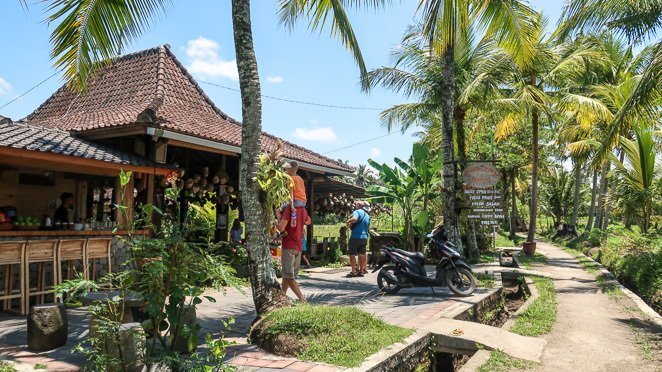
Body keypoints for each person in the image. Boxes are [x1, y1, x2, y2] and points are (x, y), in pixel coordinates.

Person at [276, 204, 311, 302]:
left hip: (288, 247)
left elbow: (281, 228)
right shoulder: (303, 209)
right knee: (286, 276)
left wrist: (278, 216)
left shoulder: (288, 209)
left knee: (289, 277)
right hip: (298, 247)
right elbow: (308, 221)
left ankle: (303, 300)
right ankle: (282, 297)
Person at [346, 201, 371, 277]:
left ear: (358, 205)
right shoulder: (367, 215)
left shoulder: (357, 212)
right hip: (364, 238)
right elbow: (368, 227)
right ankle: (361, 271)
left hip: (355, 237)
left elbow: (354, 219)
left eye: (355, 204)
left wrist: (348, 222)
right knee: (362, 254)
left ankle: (353, 271)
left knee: (352, 254)